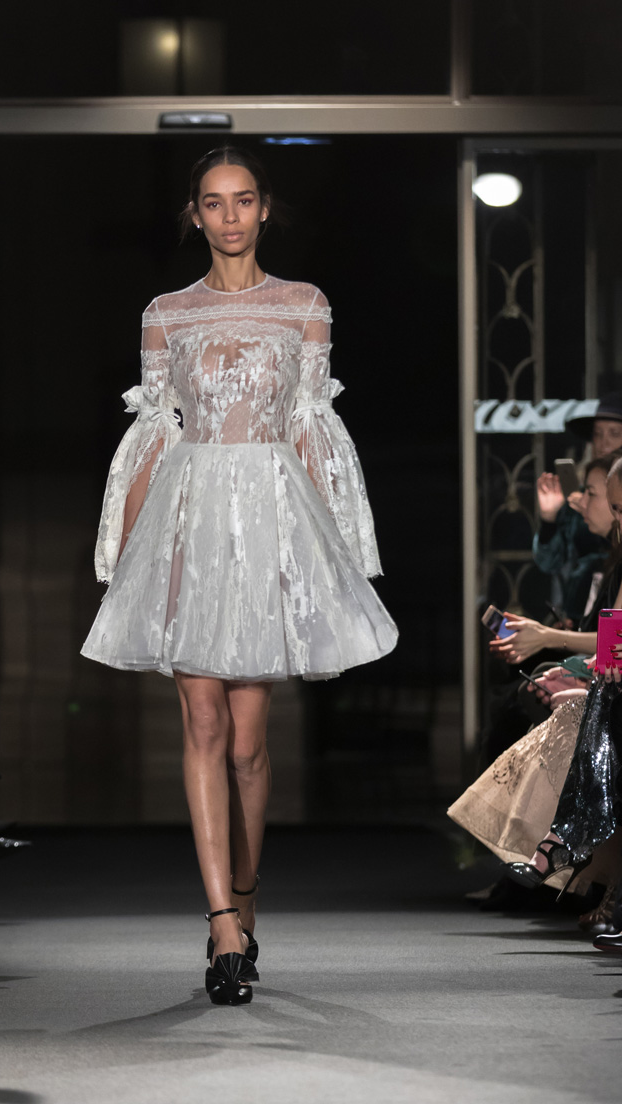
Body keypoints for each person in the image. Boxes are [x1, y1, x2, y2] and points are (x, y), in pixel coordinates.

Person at [82, 145, 397, 1006]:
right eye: (214, 202)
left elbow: (313, 433)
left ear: (265, 209)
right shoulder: (166, 313)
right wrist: (130, 555)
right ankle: (222, 922)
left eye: (244, 200)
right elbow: (155, 432)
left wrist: (331, 552)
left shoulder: (304, 305)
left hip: (268, 522)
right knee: (203, 722)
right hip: (188, 518)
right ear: (195, 214)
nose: (229, 216)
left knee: (251, 744)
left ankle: (247, 900)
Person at [449, 451, 622, 896]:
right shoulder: (606, 559)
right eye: (614, 507)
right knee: (551, 701)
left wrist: (558, 645)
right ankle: (549, 854)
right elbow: (613, 637)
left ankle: (561, 850)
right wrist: (582, 667)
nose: (585, 503)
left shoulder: (606, 556)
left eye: (597, 498)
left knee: (585, 712)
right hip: (605, 678)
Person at [533, 392, 622, 624]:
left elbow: (613, 635)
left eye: (614, 434)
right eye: (597, 434)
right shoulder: (579, 497)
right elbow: (548, 562)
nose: (604, 443)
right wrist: (549, 519)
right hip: (581, 613)